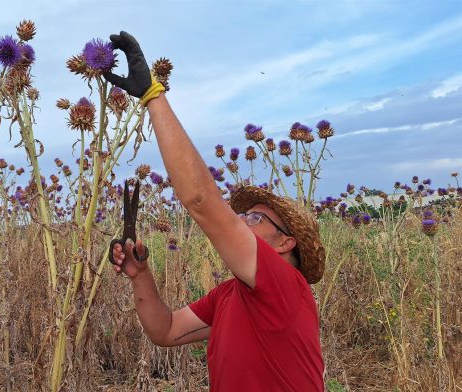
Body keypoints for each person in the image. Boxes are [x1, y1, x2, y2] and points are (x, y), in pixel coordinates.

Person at [106, 31, 326, 391]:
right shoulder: (230, 295)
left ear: (286, 243)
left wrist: (151, 95)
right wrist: (140, 274)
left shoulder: (284, 286)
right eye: (242, 216)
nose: (240, 222)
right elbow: (167, 330)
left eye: (254, 218)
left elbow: (201, 201)